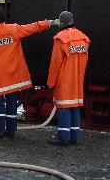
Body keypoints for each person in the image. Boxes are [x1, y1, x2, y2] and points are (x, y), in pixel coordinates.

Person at [0, 6, 59, 138]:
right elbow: (32, 27)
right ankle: (11, 130)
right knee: (11, 102)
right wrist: (49, 22)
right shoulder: (13, 29)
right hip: (14, 75)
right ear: (4, 17)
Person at [47, 11, 90, 146]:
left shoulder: (61, 38)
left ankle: (63, 137)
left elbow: (55, 63)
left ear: (61, 23)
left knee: (64, 107)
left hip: (64, 79)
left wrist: (50, 82)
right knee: (75, 106)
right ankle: (74, 136)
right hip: (78, 79)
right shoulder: (83, 38)